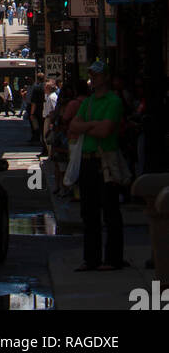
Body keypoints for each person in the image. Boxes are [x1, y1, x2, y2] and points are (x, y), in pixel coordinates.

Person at [70, 61, 128, 271]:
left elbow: (106, 131)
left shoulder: (114, 101)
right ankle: (91, 259)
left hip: (105, 162)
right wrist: (93, 125)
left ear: (106, 78)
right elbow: (73, 126)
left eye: (96, 75)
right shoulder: (89, 102)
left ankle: (113, 259)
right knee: (89, 212)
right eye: (91, 75)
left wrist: (86, 127)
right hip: (87, 160)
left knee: (110, 211)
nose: (92, 78)